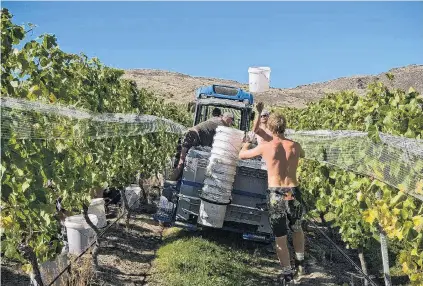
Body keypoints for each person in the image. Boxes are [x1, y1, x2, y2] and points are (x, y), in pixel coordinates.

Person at [239, 112, 306, 284]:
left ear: (270, 127)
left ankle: (287, 274)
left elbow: (242, 155)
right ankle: (300, 264)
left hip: (276, 193)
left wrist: (245, 145)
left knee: (280, 236)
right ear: (284, 126)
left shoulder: (267, 146)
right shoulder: (296, 146)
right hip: (292, 191)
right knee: (297, 227)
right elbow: (302, 154)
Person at [169, 111, 234, 181]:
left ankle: (173, 180)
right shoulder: (222, 126)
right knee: (182, 162)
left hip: (190, 134)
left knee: (181, 160)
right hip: (194, 137)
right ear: (229, 119)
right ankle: (173, 181)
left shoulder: (215, 119)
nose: (229, 125)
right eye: (230, 123)